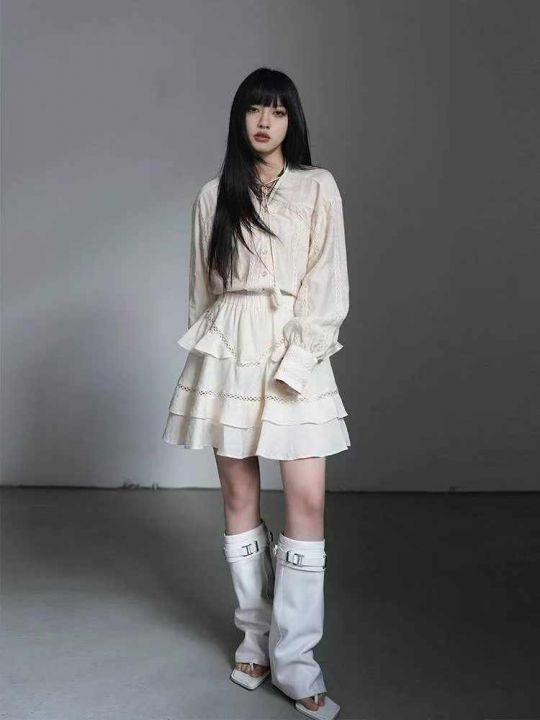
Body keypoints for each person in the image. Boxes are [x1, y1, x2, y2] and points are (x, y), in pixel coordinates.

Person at [162, 67, 350, 720]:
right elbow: (201, 291)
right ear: (239, 118)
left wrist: (298, 360)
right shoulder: (213, 195)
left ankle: (295, 659)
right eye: (253, 109)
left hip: (295, 342)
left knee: (307, 499)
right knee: (239, 495)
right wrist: (214, 360)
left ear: (292, 120)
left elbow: (328, 282)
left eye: (277, 110)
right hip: (231, 347)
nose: (264, 121)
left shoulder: (318, 186)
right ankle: (254, 637)